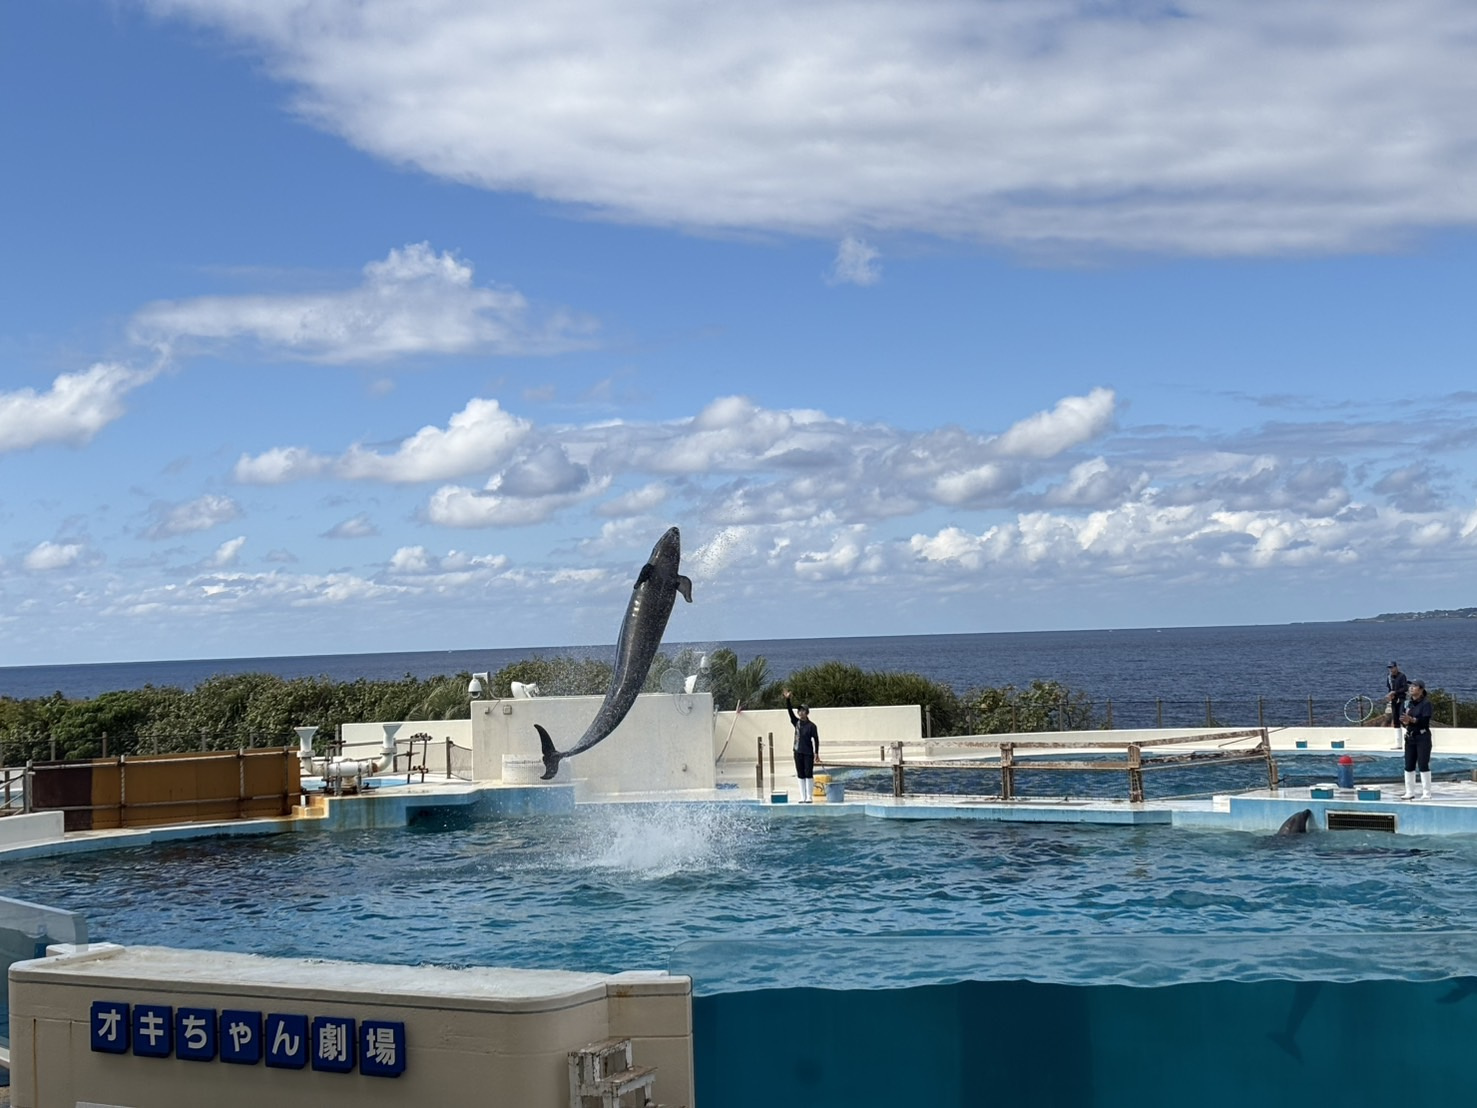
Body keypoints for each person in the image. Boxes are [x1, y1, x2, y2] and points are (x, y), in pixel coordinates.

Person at [783, 689, 820, 804]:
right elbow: (789, 712)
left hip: (808, 752)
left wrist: (816, 753)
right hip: (797, 751)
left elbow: (816, 739)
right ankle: (802, 796)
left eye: (803, 710)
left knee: (808, 773)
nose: (800, 712)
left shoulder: (812, 726)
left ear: (807, 712)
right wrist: (788, 700)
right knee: (800, 774)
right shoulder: (796, 723)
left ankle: (809, 796)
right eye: (799, 710)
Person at [1399, 679, 1434, 800]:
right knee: (1409, 764)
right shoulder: (1407, 703)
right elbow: (1403, 717)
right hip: (1410, 736)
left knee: (1423, 764)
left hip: (1422, 736)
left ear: (1421, 689)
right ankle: (1409, 791)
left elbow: (1424, 722)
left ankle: (1426, 792)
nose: (1411, 688)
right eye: (1410, 686)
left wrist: (1412, 720)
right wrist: (1404, 721)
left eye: (1414, 686)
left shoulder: (1425, 704)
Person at [1384, 662, 1409, 748]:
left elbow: (1405, 688)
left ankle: (1408, 740)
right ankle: (1398, 743)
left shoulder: (1402, 676)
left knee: (1402, 717)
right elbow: (1389, 688)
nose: (1391, 670)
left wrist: (1395, 692)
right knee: (1395, 720)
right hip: (1394, 700)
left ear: (1396, 667)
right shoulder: (1389, 677)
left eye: (1392, 667)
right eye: (1389, 668)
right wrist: (1389, 696)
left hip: (1401, 699)